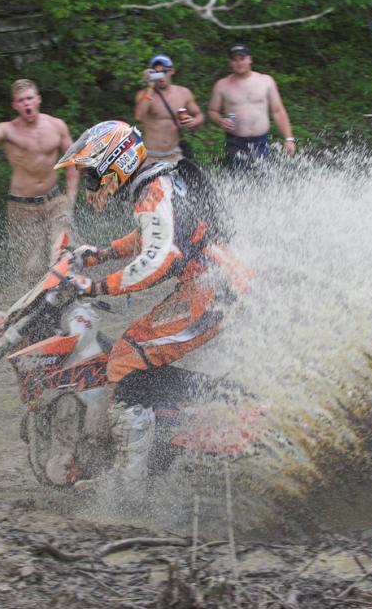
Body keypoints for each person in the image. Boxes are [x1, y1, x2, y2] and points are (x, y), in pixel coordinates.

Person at [54, 120, 250, 495]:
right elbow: (155, 234)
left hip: (211, 289)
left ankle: (131, 485)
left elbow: (161, 259)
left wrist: (94, 285)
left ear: (116, 163)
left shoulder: (152, 191)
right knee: (137, 357)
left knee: (125, 360)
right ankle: (164, 430)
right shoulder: (157, 181)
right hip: (214, 280)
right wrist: (101, 254)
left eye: (93, 173)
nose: (92, 183)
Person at [0, 79, 78, 277]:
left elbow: (73, 161)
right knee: (31, 269)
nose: (26, 103)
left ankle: (68, 297)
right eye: (21, 100)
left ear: (38, 99)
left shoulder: (57, 126)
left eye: (29, 98)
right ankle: (39, 304)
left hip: (55, 201)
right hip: (22, 208)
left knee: (64, 253)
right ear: (15, 106)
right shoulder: (8, 130)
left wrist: (70, 197)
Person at [208, 44, 297, 170]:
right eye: (235, 59)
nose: (239, 63)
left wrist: (289, 138)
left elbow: (278, 111)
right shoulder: (222, 85)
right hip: (235, 141)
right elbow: (212, 111)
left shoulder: (266, 81)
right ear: (230, 63)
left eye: (242, 58)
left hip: (261, 141)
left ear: (250, 59)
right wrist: (220, 120)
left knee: (266, 180)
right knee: (236, 181)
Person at [133, 54, 203, 165]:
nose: (160, 77)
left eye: (164, 72)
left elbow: (199, 115)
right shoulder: (145, 94)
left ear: (172, 71)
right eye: (156, 73)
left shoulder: (183, 93)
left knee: (197, 179)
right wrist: (150, 87)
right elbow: (139, 116)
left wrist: (193, 122)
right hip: (150, 156)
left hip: (174, 154)